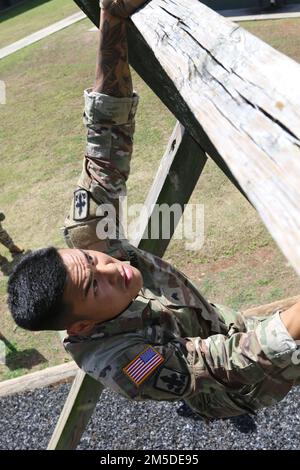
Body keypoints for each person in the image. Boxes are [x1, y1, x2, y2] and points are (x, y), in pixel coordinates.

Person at [7, 0, 300, 420]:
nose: (112, 268)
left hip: (217, 322)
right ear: (82, 327)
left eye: (93, 260)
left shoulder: (91, 241)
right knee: (226, 385)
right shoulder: (126, 364)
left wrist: (112, 17)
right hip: (241, 384)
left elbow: (105, 141)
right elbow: (231, 364)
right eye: (94, 286)